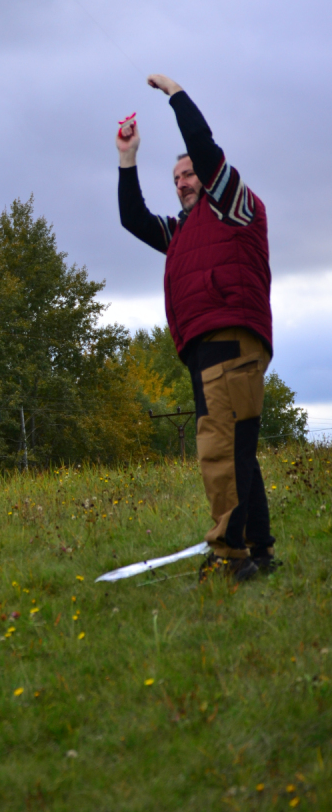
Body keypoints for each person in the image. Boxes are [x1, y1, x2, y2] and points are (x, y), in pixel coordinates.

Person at [116, 75, 276, 582]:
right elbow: (134, 219)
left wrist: (176, 95)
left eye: (189, 174)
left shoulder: (233, 204)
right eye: (176, 179)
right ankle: (258, 550)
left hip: (228, 338)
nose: (183, 183)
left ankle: (230, 557)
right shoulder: (183, 230)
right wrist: (127, 158)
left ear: (207, 178)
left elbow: (206, 151)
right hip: (208, 346)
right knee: (238, 449)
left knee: (219, 450)